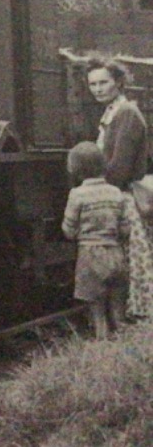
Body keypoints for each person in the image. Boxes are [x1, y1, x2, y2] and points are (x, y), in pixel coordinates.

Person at [85, 56, 152, 319]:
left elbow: (120, 167)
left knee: (132, 263)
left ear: (119, 83)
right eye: (93, 84)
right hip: (117, 195)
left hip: (125, 198)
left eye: (103, 82)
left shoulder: (126, 114)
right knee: (125, 263)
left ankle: (138, 318)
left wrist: (97, 191)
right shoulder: (113, 113)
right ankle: (126, 318)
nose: (98, 89)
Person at [62, 142, 129, 338]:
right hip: (116, 255)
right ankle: (125, 347)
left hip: (90, 257)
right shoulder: (116, 193)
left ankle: (102, 345)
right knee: (118, 310)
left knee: (98, 313)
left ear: (75, 169)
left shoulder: (77, 195)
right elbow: (125, 229)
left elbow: (68, 230)